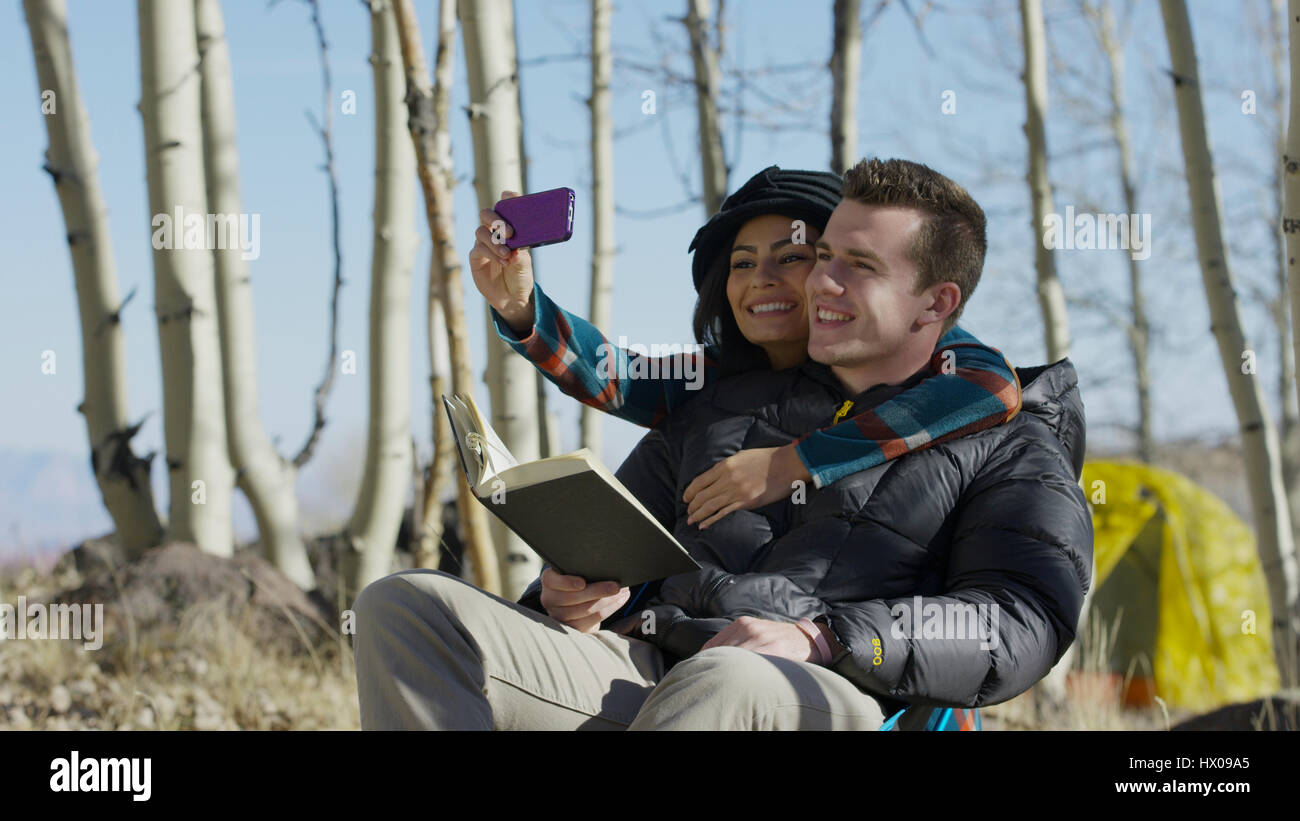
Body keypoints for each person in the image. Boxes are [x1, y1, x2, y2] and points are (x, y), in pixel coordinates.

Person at [352, 157, 1093, 730]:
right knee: (409, 606)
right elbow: (621, 402)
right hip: (655, 666)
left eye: (855, 266)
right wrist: (570, 596)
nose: (820, 283)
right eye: (824, 255)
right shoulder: (715, 402)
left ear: (938, 303)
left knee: (728, 679)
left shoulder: (1004, 429)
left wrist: (823, 635)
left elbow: (1018, 619)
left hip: (838, 694)